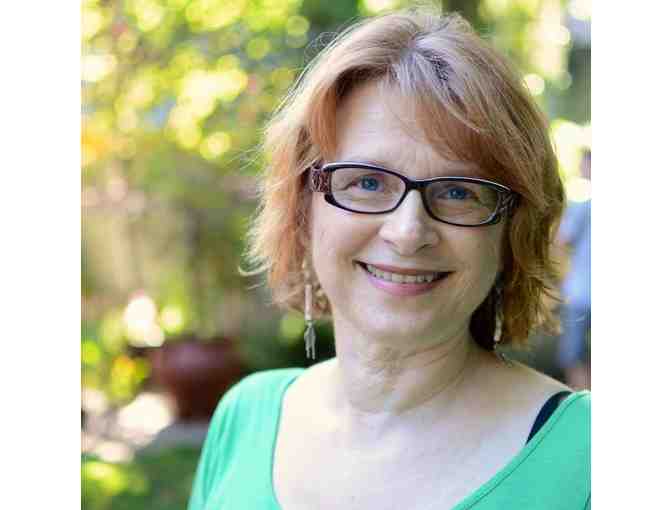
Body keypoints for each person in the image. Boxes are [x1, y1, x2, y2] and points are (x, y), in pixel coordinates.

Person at [188, 7, 590, 510]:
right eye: (367, 182)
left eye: (459, 192)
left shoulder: (593, 458)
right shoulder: (245, 418)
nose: (407, 232)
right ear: (303, 207)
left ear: (513, 231)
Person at [556, 151, 591, 389]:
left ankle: (584, 403)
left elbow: (562, 240)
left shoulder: (583, 207)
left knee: (573, 355)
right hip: (582, 290)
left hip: (580, 292)